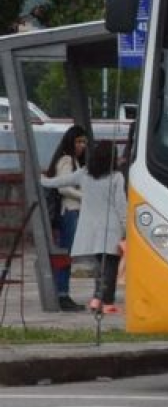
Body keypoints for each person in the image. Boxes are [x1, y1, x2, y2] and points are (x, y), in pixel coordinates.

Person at [40, 140, 127, 314]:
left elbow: (60, 181)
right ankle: (105, 301)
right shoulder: (116, 177)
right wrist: (126, 228)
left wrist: (42, 179)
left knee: (100, 266)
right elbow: (121, 205)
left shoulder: (85, 173)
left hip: (91, 228)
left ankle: (98, 299)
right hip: (111, 228)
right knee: (110, 266)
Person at [42, 125, 88, 312]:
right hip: (68, 211)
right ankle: (62, 293)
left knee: (67, 254)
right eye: (78, 141)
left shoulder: (74, 161)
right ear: (70, 141)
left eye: (84, 142)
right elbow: (63, 187)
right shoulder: (67, 160)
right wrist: (84, 196)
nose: (82, 145)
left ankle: (62, 292)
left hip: (72, 211)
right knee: (66, 255)